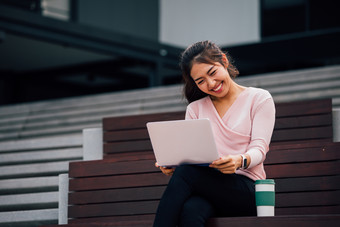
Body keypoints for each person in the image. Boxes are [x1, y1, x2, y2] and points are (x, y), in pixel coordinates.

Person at [153, 40, 276, 227]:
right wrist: (172, 164)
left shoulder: (259, 98)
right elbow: (193, 157)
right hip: (210, 189)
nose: (211, 84)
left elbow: (259, 149)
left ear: (224, 61)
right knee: (191, 211)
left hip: (247, 190)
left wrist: (239, 160)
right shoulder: (195, 109)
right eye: (200, 81)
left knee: (187, 173)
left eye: (212, 73)